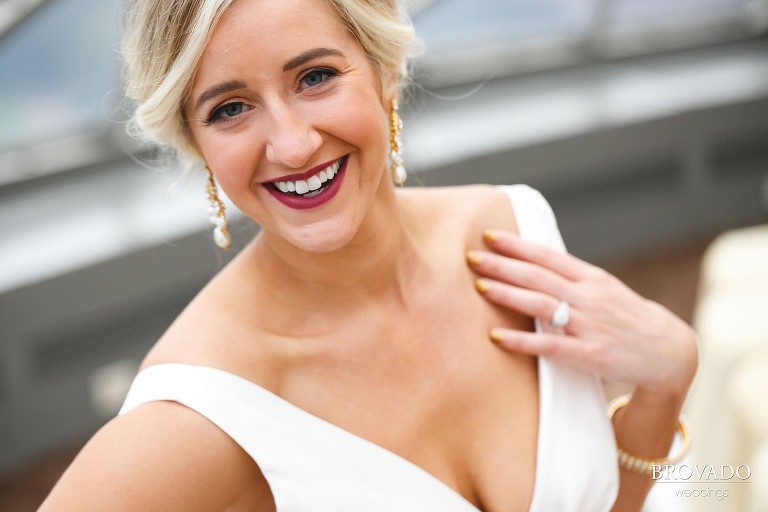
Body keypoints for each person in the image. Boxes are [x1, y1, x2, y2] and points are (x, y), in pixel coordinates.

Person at [39, 0, 698, 510]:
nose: (293, 146)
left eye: (316, 76)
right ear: (197, 144)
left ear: (386, 72)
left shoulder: (512, 226)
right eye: (231, 109)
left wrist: (664, 385)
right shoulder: (200, 412)